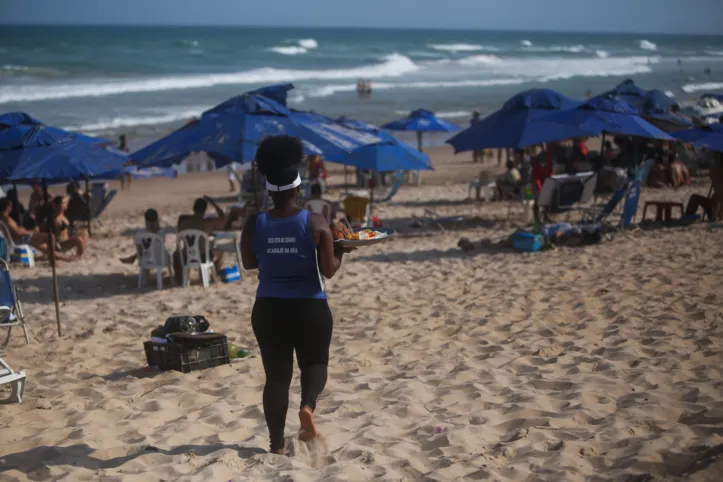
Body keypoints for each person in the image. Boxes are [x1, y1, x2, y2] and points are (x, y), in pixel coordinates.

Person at [240, 135, 353, 455]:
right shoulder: (315, 222)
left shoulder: (255, 223)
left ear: (270, 191)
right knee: (315, 362)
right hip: (310, 306)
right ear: (298, 189)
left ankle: (276, 444)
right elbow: (328, 270)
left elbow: (249, 264)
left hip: (269, 308)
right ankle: (307, 406)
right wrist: (342, 248)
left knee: (276, 377)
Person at [173, 196, 227, 284]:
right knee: (220, 252)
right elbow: (223, 218)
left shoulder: (184, 223)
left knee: (175, 254)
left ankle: (179, 279)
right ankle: (215, 276)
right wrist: (214, 204)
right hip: (203, 257)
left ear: (194, 208)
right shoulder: (207, 223)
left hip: (186, 257)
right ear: (205, 210)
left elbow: (181, 219)